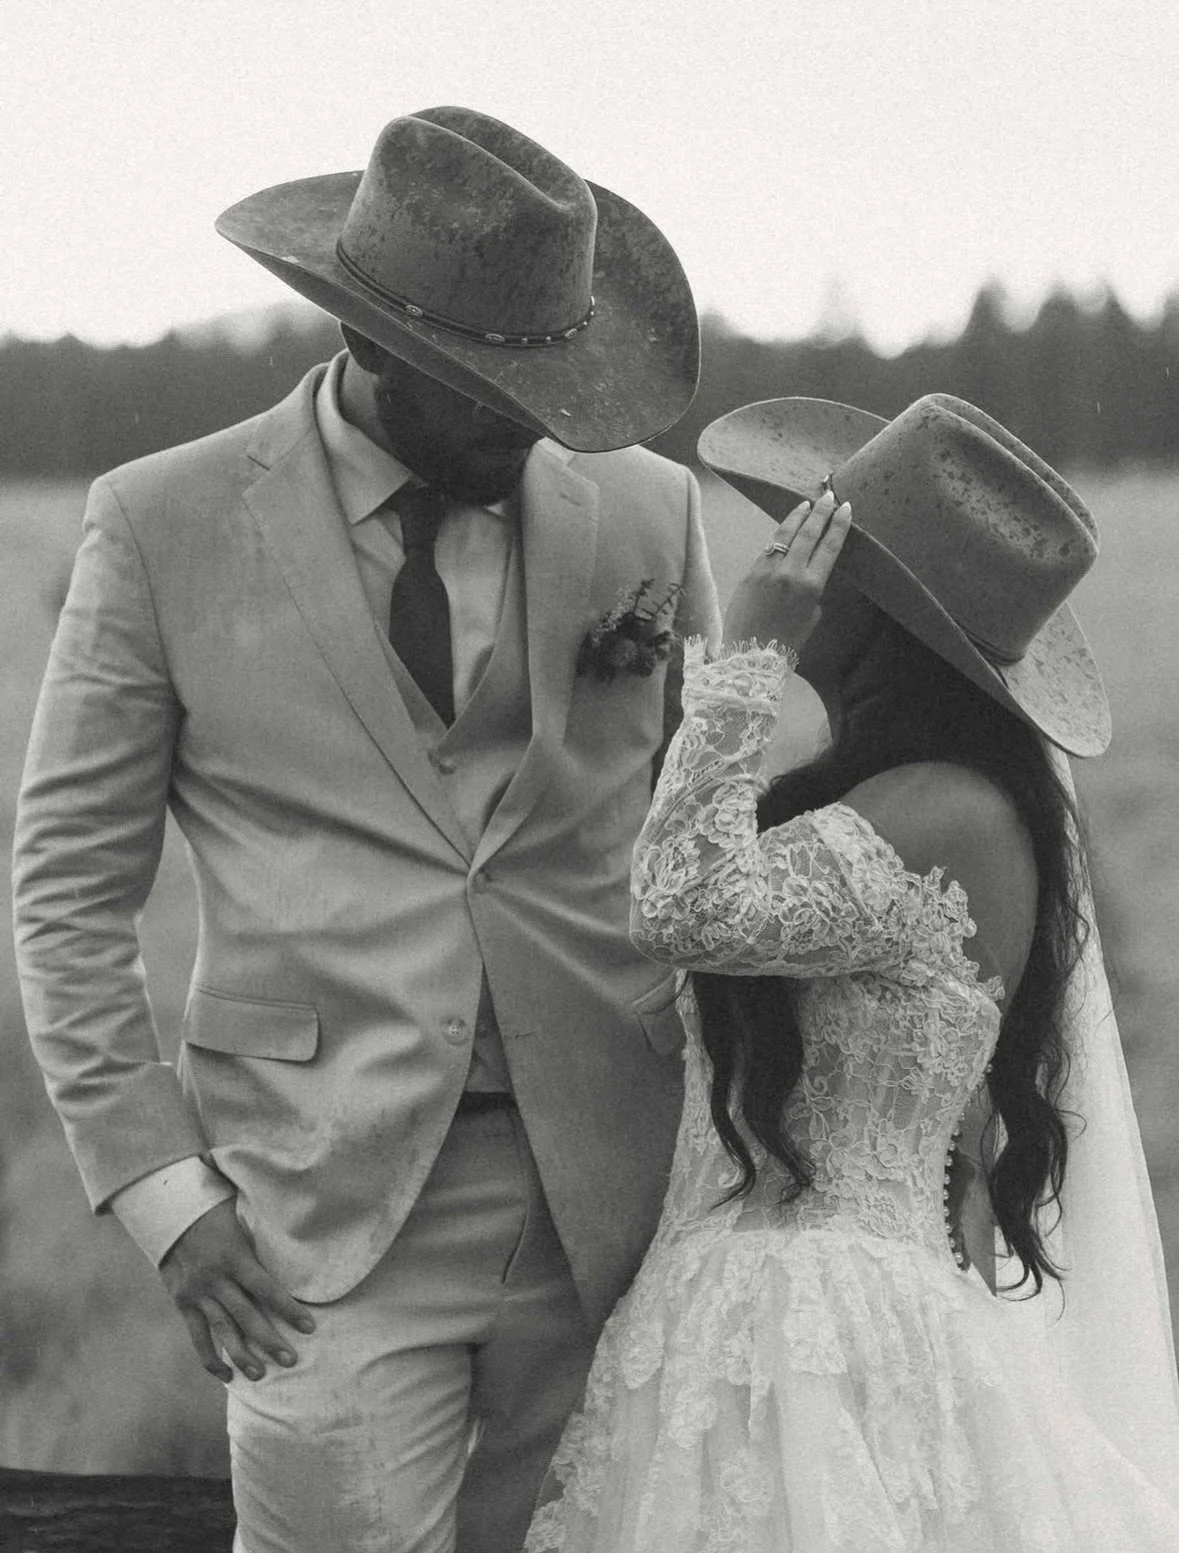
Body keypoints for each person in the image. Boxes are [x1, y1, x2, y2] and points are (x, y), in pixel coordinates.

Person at [11, 107, 720, 1553]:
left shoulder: (652, 513)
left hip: (613, 1201)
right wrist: (160, 1192)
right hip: (308, 1216)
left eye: (549, 384)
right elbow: (67, 895)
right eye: (487, 388)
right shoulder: (160, 522)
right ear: (372, 343)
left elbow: (710, 834)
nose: (531, 421)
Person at [525, 393, 1179, 1550]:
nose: (788, 569)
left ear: (874, 616)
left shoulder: (947, 814)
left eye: (819, 559)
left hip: (808, 1328)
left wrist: (752, 655)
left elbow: (678, 902)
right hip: (767, 1306)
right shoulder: (915, 797)